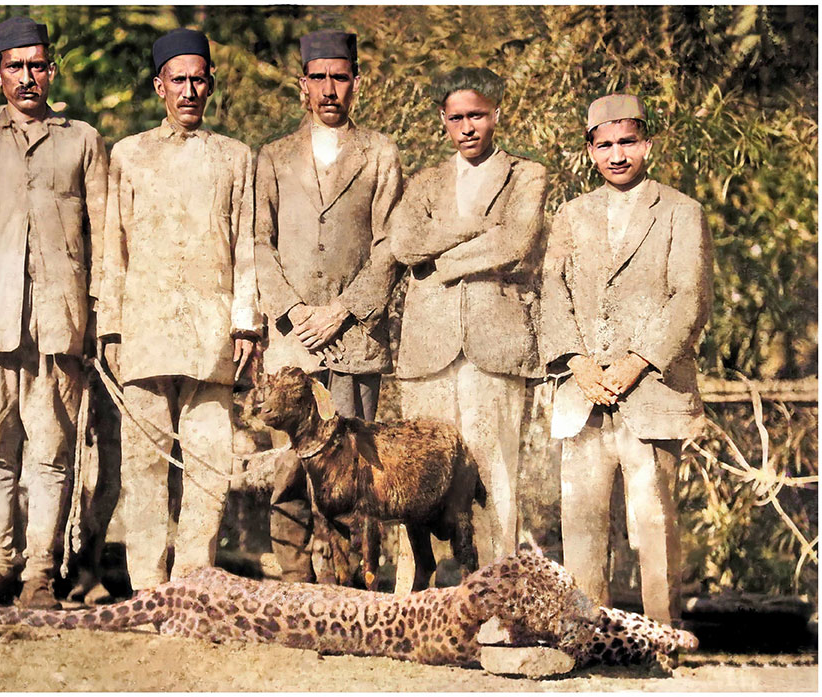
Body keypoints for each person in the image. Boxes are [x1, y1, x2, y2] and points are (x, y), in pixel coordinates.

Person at [0, 16, 108, 608]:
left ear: (51, 70)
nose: (27, 76)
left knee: (52, 455)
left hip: (60, 327)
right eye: (15, 67)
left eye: (37, 65)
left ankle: (39, 574)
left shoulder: (81, 139)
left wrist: (100, 322)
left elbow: (103, 236)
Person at [539, 94, 713, 624]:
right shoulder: (571, 215)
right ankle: (588, 632)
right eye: (606, 145)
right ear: (590, 151)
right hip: (584, 396)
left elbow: (691, 297)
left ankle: (662, 634)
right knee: (583, 521)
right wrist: (577, 363)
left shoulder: (682, 212)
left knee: (652, 521)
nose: (618, 155)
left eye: (628, 143)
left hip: (651, 393)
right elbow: (552, 291)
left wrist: (637, 362)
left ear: (648, 145)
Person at [97, 28, 261, 591]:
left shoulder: (235, 157)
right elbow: (111, 247)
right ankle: (147, 584)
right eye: (178, 80)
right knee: (144, 464)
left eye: (199, 79)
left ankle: (195, 580)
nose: (189, 90)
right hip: (143, 329)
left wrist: (246, 323)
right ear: (158, 85)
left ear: (210, 85)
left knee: (210, 458)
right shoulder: (128, 155)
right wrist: (110, 328)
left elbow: (247, 245)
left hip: (213, 332)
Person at [254, 29, 403, 582]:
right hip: (293, 340)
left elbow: (390, 245)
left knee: (352, 470)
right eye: (318, 78)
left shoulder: (381, 153)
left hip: (353, 335)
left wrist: (341, 310)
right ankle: (295, 582)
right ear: (302, 86)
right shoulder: (272, 157)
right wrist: (293, 314)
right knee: (290, 470)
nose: (329, 89)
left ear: (356, 84)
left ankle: (349, 586)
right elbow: (257, 242)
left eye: (340, 77)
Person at [389, 67, 548, 565]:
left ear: (496, 113)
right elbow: (402, 243)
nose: (467, 127)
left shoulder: (527, 174)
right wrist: (473, 226)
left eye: (476, 114)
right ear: (443, 120)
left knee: (494, 471)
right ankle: (414, 601)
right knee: (418, 475)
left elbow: (515, 240)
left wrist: (440, 263)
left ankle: (499, 599)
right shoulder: (425, 181)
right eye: (456, 117)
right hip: (429, 347)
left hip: (493, 343)